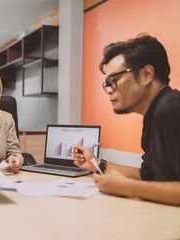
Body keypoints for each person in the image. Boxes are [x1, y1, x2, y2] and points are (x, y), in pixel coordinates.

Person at [73, 34, 180, 206]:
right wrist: (97, 163)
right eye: (106, 83)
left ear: (146, 74)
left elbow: (138, 184)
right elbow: (149, 176)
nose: (109, 90)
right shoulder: (153, 115)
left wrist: (129, 188)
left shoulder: (171, 108)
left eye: (114, 80)